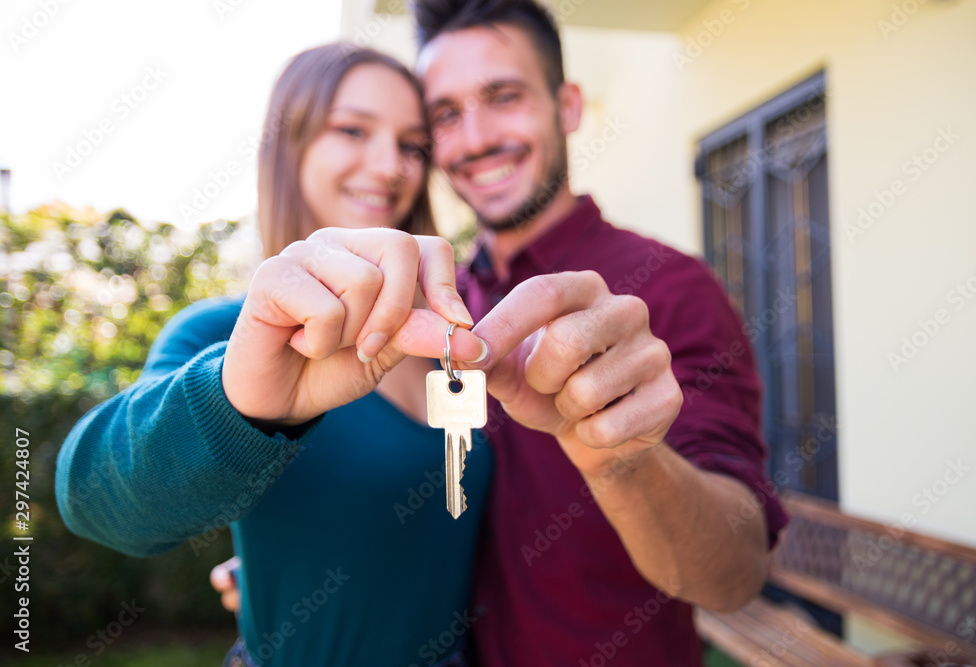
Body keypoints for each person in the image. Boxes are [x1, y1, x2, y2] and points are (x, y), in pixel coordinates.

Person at [215, 1, 790, 665]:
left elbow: (733, 573)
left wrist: (626, 460)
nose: (475, 138)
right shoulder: (439, 297)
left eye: (504, 96)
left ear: (568, 106)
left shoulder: (669, 288)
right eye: (446, 115)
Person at [55, 43, 494, 667]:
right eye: (352, 129)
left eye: (412, 144)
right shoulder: (223, 332)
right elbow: (97, 500)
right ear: (290, 146)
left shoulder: (449, 336)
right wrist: (243, 406)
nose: (390, 164)